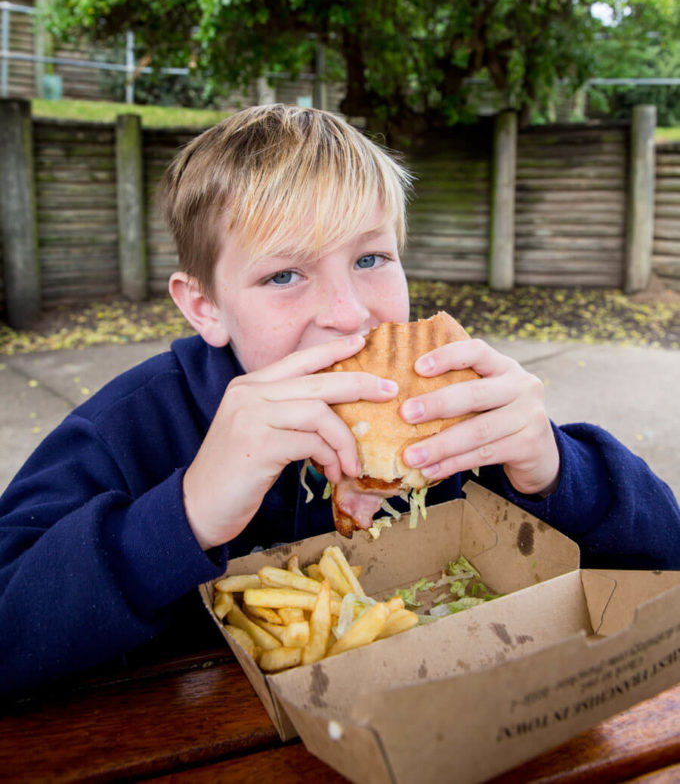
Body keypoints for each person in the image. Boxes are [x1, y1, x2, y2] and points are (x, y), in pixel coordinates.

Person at [1, 103, 679, 699]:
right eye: (285, 273)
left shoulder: (459, 411)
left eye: (370, 259)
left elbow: (663, 559)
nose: (348, 314)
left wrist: (560, 469)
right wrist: (185, 514)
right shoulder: (127, 429)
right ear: (206, 307)